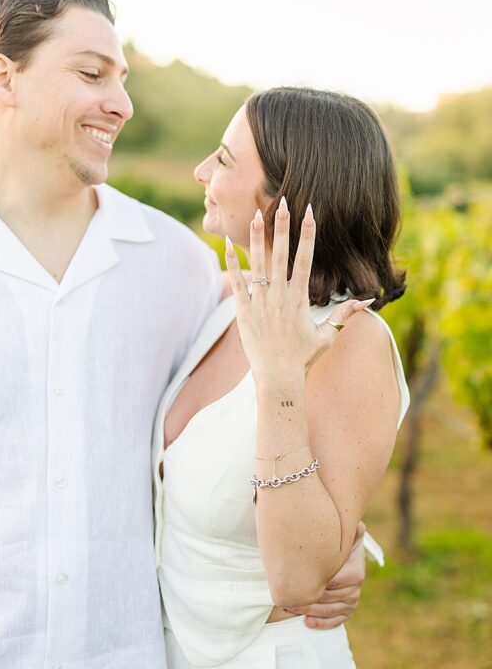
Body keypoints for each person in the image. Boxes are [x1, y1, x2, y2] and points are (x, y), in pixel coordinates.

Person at [0, 0, 368, 668]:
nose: (122, 103)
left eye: (122, 78)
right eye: (91, 73)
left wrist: (340, 540)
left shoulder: (182, 267)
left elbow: (273, 410)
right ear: (4, 79)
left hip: (132, 651)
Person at [152, 88, 409, 667]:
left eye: (222, 160)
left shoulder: (355, 344)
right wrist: (353, 539)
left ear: (283, 200)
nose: (200, 172)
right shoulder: (224, 299)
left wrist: (279, 379)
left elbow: (297, 580)